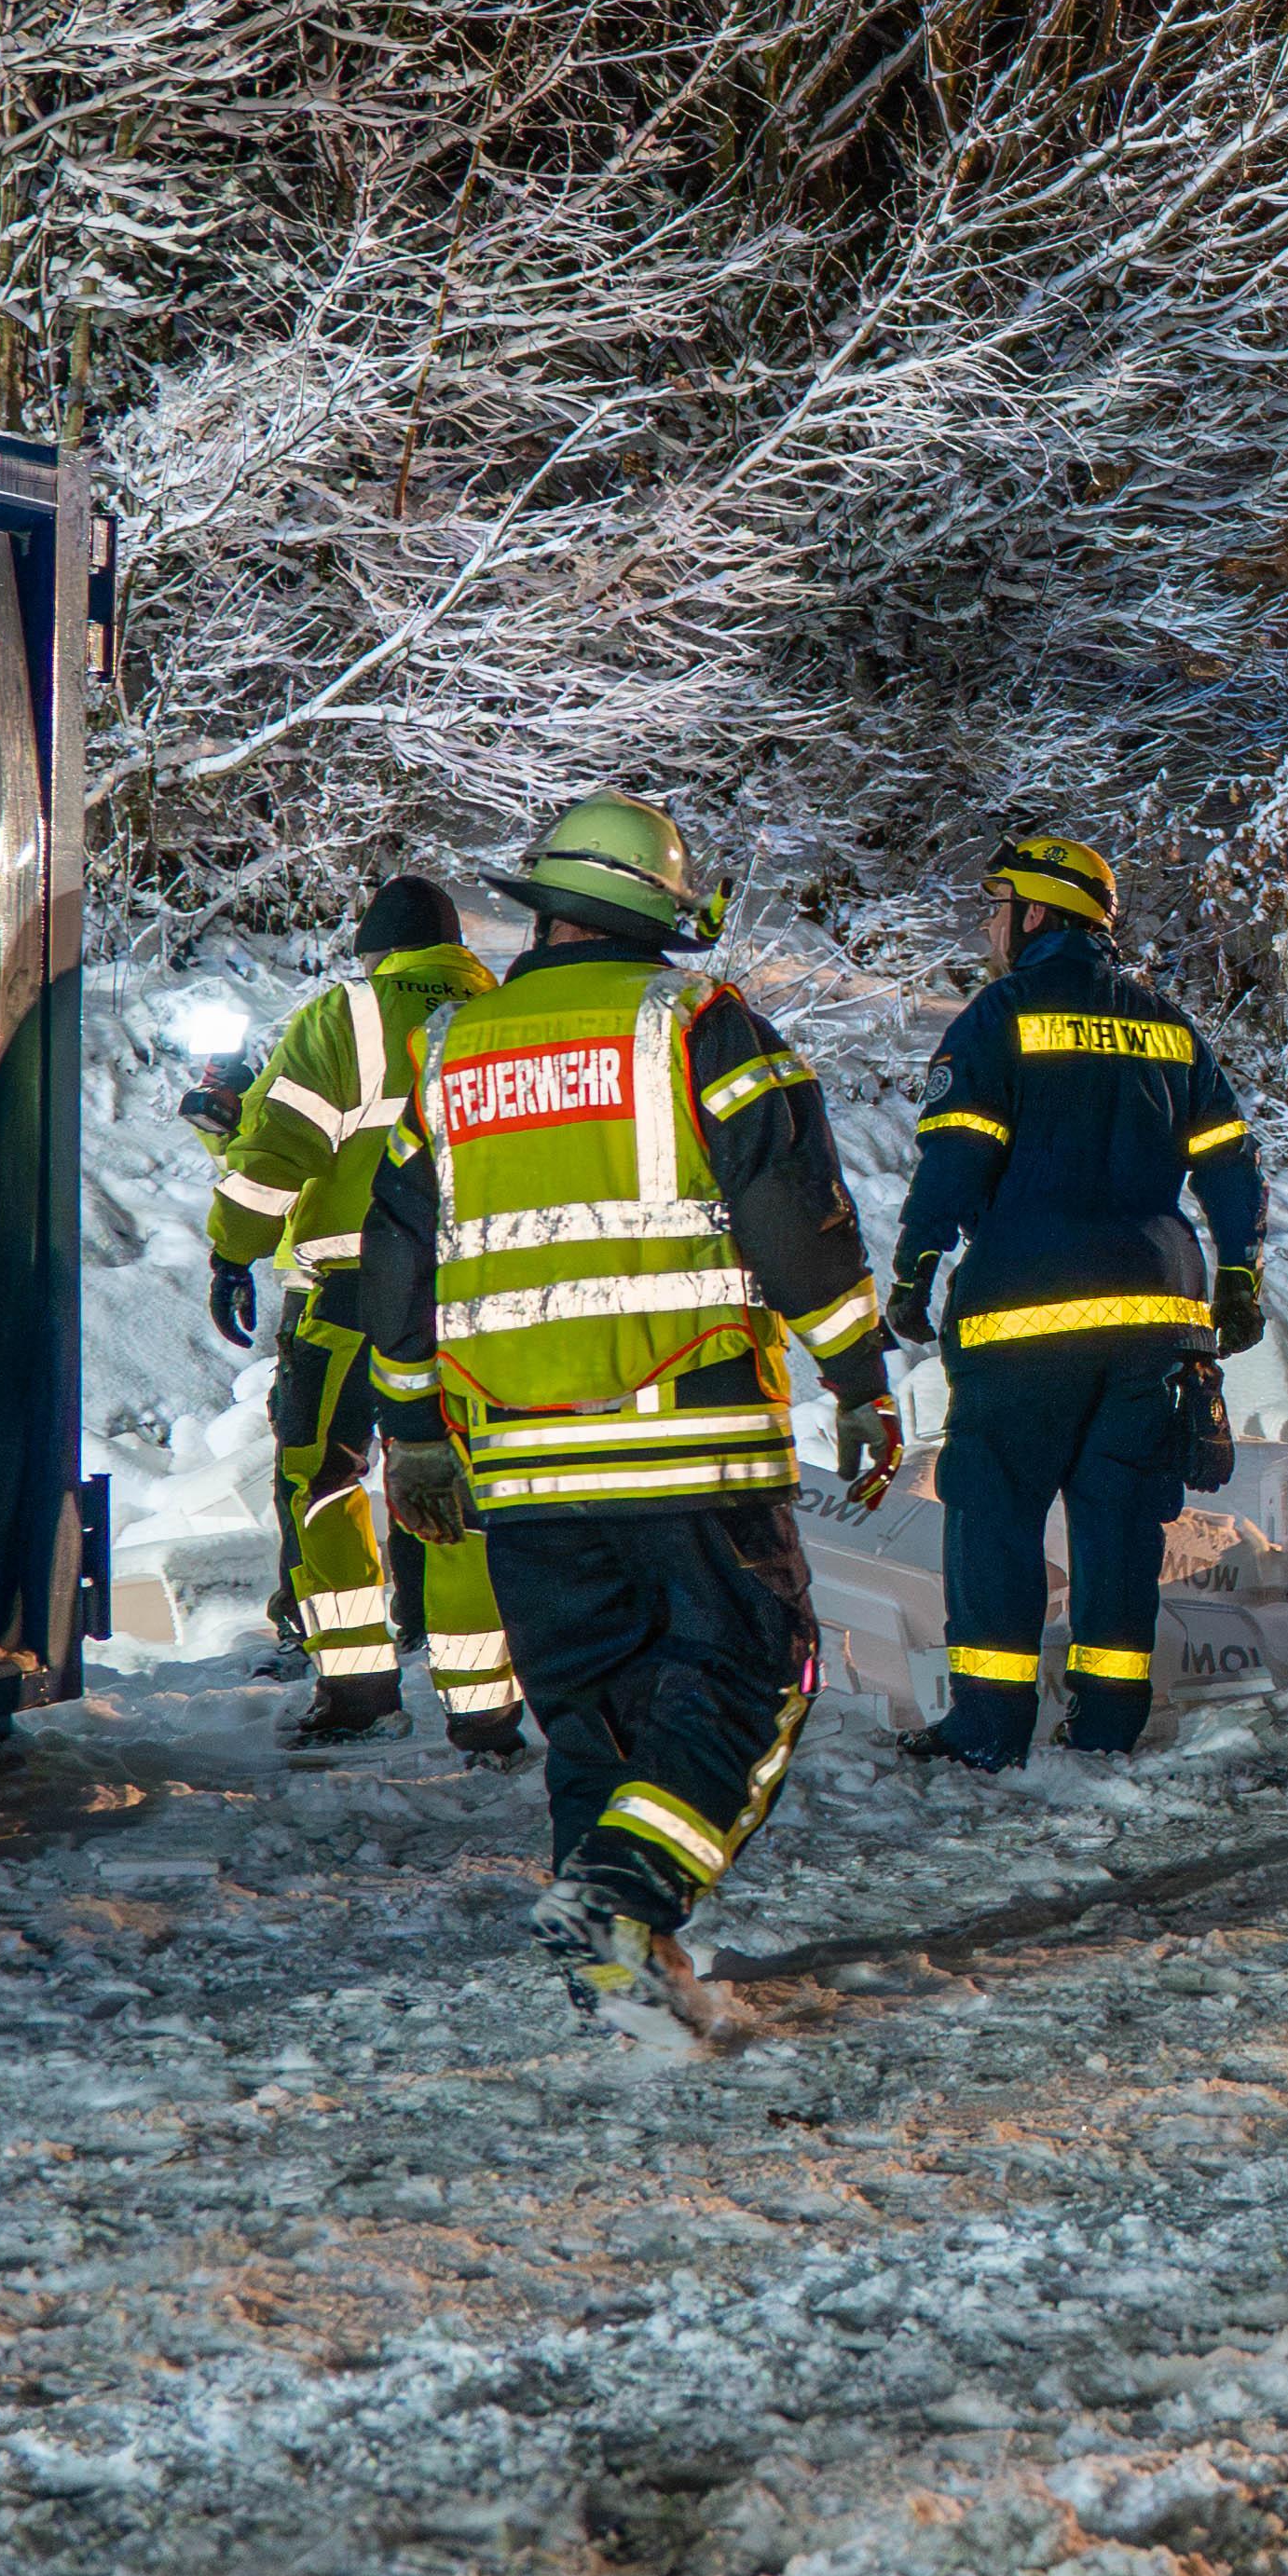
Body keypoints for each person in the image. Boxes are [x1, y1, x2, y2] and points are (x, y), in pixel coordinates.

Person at [345, 796, 899, 2030]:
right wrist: (859, 1380)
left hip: (525, 1463)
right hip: (690, 1440)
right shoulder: (694, 1025)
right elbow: (789, 1210)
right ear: (663, 909)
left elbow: (396, 1254)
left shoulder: (454, 1049)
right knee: (756, 1670)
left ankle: (610, 1959)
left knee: (593, 1712)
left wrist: (416, 1432)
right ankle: (624, 1896)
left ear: (547, 904)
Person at [883, 831, 1267, 1769]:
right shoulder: (1168, 1027)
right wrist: (1240, 1274)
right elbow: (1231, 1164)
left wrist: (914, 1267)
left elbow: (957, 1157)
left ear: (1039, 914)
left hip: (1028, 1311)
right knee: (1121, 1519)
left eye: (999, 904)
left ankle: (987, 1727)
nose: (990, 924)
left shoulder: (1000, 1015)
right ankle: (1105, 1725)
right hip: (1158, 1315)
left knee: (995, 1510)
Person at [199, 874, 519, 1757]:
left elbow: (274, 1157)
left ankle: (357, 1690)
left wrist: (234, 1249)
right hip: (473, 1297)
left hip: (348, 1291)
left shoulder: (349, 1015)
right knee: (458, 1492)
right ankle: (484, 1708)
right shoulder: (512, 1012)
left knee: (323, 1481)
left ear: (374, 951)